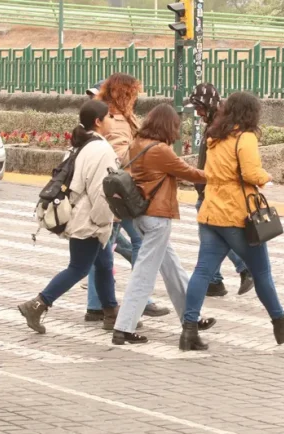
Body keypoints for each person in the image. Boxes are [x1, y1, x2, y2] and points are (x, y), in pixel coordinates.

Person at [179, 92, 284, 351]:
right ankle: (280, 321)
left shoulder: (214, 136)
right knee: (261, 271)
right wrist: (265, 177)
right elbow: (250, 172)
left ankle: (189, 330)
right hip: (236, 214)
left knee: (202, 271)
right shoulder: (245, 137)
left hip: (210, 211)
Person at [112, 104, 214, 345]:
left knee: (173, 269)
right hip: (157, 218)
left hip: (141, 216)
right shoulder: (159, 150)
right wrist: (220, 175)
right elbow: (188, 172)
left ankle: (192, 317)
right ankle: (123, 328)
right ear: (168, 125)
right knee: (144, 274)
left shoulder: (137, 143)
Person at [18, 100, 120, 333]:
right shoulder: (101, 149)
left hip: (78, 212)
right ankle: (38, 304)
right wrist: (104, 219)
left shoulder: (81, 144)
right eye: (110, 116)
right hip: (89, 218)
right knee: (79, 267)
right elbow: (100, 190)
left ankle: (111, 312)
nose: (113, 120)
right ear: (98, 121)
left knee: (104, 264)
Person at [82, 74, 171, 321]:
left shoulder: (116, 117)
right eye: (133, 93)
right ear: (125, 95)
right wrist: (149, 154)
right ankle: (138, 299)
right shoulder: (117, 120)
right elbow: (121, 155)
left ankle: (97, 304)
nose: (136, 98)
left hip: (117, 193)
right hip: (123, 193)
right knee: (134, 244)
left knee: (104, 248)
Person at [188, 83, 255, 297]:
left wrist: (202, 184)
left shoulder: (218, 127)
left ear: (208, 105)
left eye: (199, 107)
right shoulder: (216, 123)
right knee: (210, 239)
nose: (197, 112)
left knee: (216, 239)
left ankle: (244, 269)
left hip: (212, 191)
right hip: (208, 189)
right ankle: (215, 281)